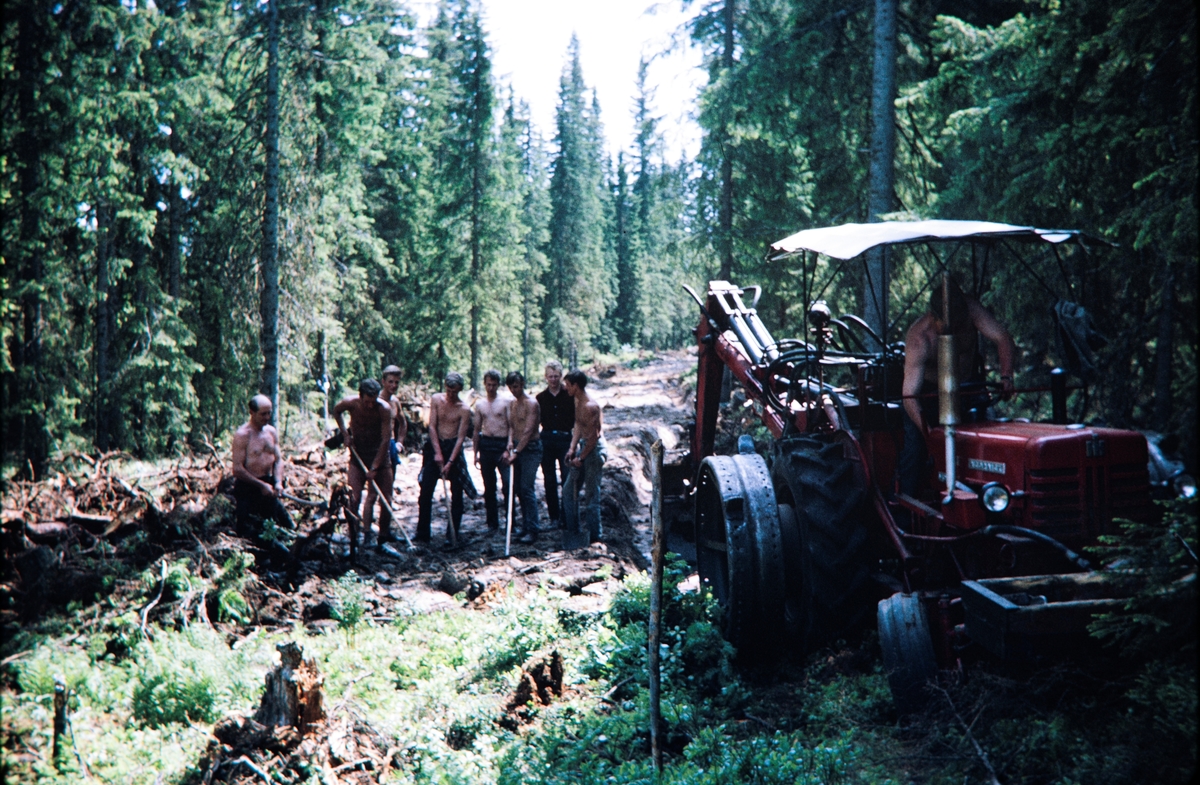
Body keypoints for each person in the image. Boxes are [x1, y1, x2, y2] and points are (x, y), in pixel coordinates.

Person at [899, 277, 1016, 496]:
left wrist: (1007, 376)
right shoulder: (920, 338)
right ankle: (906, 509)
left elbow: (1002, 338)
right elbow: (909, 395)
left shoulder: (971, 310)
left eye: (961, 321)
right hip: (929, 396)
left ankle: (995, 497)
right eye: (951, 323)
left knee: (992, 441)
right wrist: (928, 432)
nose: (958, 327)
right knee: (914, 451)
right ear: (935, 317)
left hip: (968, 389)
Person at [333, 379, 394, 545]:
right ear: (360, 397)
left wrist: (375, 466)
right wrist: (345, 434)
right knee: (354, 498)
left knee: (386, 498)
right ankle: (355, 536)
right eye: (367, 402)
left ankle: (382, 539)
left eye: (373, 401)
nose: (370, 405)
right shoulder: (351, 403)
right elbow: (336, 411)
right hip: (357, 455)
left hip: (380, 457)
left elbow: (386, 440)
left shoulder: (384, 409)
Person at [416, 372, 471, 543]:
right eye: (448, 390)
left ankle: (452, 534)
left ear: (460, 390)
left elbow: (461, 438)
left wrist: (450, 462)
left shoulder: (464, 409)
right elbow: (432, 426)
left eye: (454, 392)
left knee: (457, 493)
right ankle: (423, 533)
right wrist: (438, 453)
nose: (451, 395)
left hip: (453, 448)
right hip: (435, 445)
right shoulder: (436, 400)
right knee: (426, 491)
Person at [230, 394, 293, 539]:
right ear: (252, 412)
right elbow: (238, 469)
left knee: (288, 528)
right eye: (263, 414)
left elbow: (278, 460)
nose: (267, 417)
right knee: (250, 533)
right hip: (248, 489)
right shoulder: (242, 435)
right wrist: (260, 485)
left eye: (269, 412)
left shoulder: (271, 432)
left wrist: (277, 482)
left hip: (269, 487)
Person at [562, 369, 606, 544]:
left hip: (594, 451)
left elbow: (594, 437)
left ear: (576, 386)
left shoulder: (591, 406)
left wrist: (581, 458)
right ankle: (574, 532)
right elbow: (578, 425)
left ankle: (596, 536)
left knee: (591, 495)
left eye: (567, 385)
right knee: (568, 491)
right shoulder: (577, 400)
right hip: (583, 447)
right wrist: (572, 449)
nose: (566, 388)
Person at [364, 365, 408, 537]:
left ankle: (385, 531)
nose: (394, 385)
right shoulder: (374, 400)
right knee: (372, 493)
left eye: (396, 382)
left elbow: (402, 423)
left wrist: (399, 443)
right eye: (390, 382)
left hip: (389, 445)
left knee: (388, 492)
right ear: (383, 381)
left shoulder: (395, 402)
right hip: (374, 447)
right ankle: (367, 532)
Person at [504, 371, 542, 543]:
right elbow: (512, 426)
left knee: (527, 488)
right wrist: (510, 443)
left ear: (523, 384)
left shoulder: (531, 404)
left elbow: (528, 431)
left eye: (517, 386)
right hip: (517, 447)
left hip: (531, 449)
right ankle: (525, 525)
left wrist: (517, 452)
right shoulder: (512, 403)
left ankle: (533, 529)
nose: (514, 390)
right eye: (511, 387)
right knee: (518, 488)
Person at [536, 360, 574, 528]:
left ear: (561, 376)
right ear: (545, 377)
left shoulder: (569, 395)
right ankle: (554, 517)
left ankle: (568, 516)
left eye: (556, 376)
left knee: (567, 479)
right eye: (550, 376)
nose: (553, 379)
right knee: (549, 479)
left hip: (566, 439)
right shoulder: (540, 398)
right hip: (547, 440)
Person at [473, 370, 511, 533]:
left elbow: (511, 427)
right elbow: (476, 430)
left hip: (502, 445)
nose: (491, 388)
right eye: (488, 384)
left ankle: (511, 521)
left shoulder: (505, 402)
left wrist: (509, 447)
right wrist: (475, 453)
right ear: (484, 384)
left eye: (494, 385)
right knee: (489, 487)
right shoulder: (480, 404)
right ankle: (492, 523)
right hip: (486, 445)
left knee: (508, 484)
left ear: (498, 384)